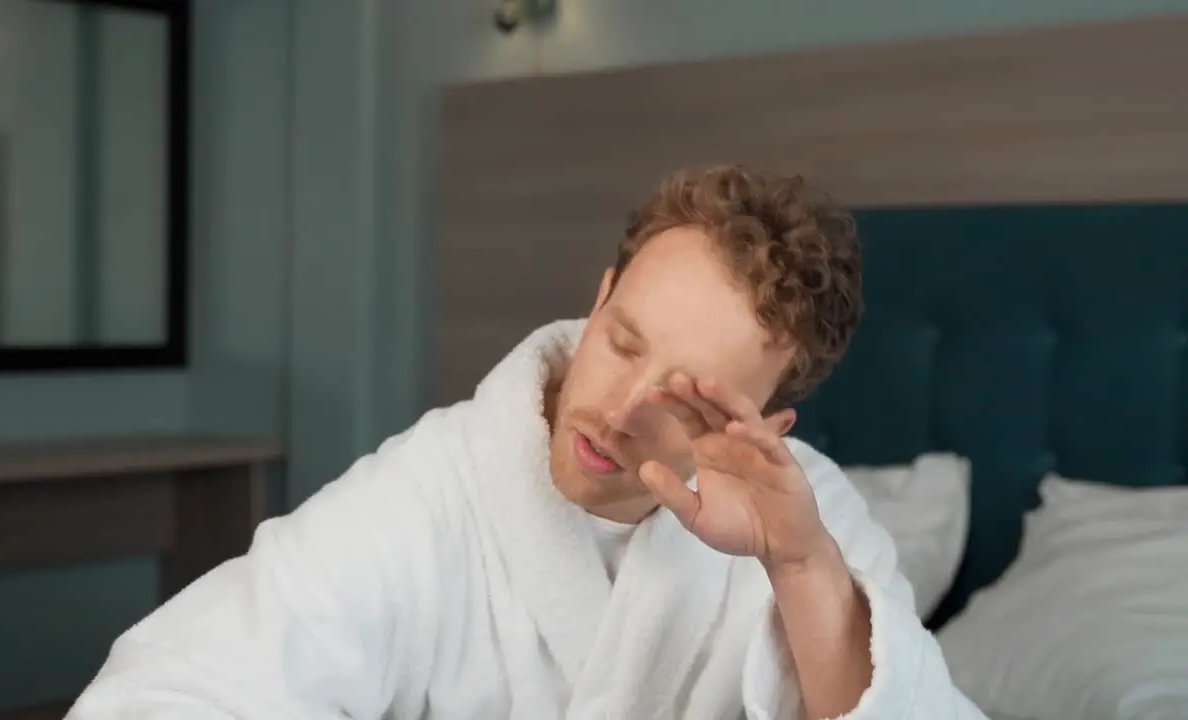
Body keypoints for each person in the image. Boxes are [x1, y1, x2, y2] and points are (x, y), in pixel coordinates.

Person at [69, 166, 986, 719]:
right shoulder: (436, 491)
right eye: (621, 340)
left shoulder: (814, 529)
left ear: (769, 420)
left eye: (685, 401)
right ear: (598, 297)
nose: (618, 410)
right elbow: (167, 692)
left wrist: (802, 569)